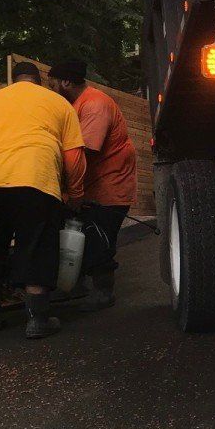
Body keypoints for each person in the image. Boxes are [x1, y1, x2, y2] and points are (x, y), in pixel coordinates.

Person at [0, 60, 86, 338]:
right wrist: (75, 193)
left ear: (13, 80)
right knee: (37, 244)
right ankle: (37, 320)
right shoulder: (57, 102)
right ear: (39, 81)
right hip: (35, 178)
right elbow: (74, 156)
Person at [48, 59, 137, 309]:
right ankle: (73, 285)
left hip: (109, 187)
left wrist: (63, 185)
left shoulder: (95, 104)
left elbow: (84, 152)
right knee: (77, 235)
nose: (50, 90)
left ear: (66, 82)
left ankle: (103, 291)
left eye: (52, 84)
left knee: (99, 239)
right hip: (88, 186)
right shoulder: (76, 105)